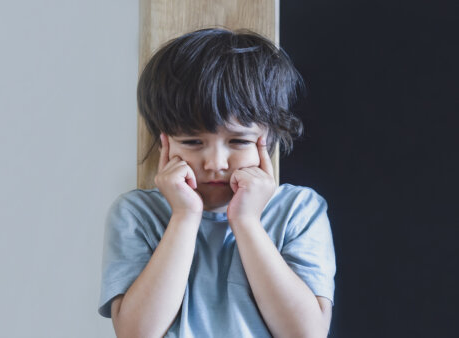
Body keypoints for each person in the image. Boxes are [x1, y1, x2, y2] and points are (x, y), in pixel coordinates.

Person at [98, 28, 336, 338]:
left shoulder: (299, 211)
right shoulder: (136, 214)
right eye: (193, 141)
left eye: (238, 141)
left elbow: (306, 334)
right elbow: (136, 333)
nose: (215, 163)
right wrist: (184, 217)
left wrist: (247, 221)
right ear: (164, 143)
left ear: (268, 140)